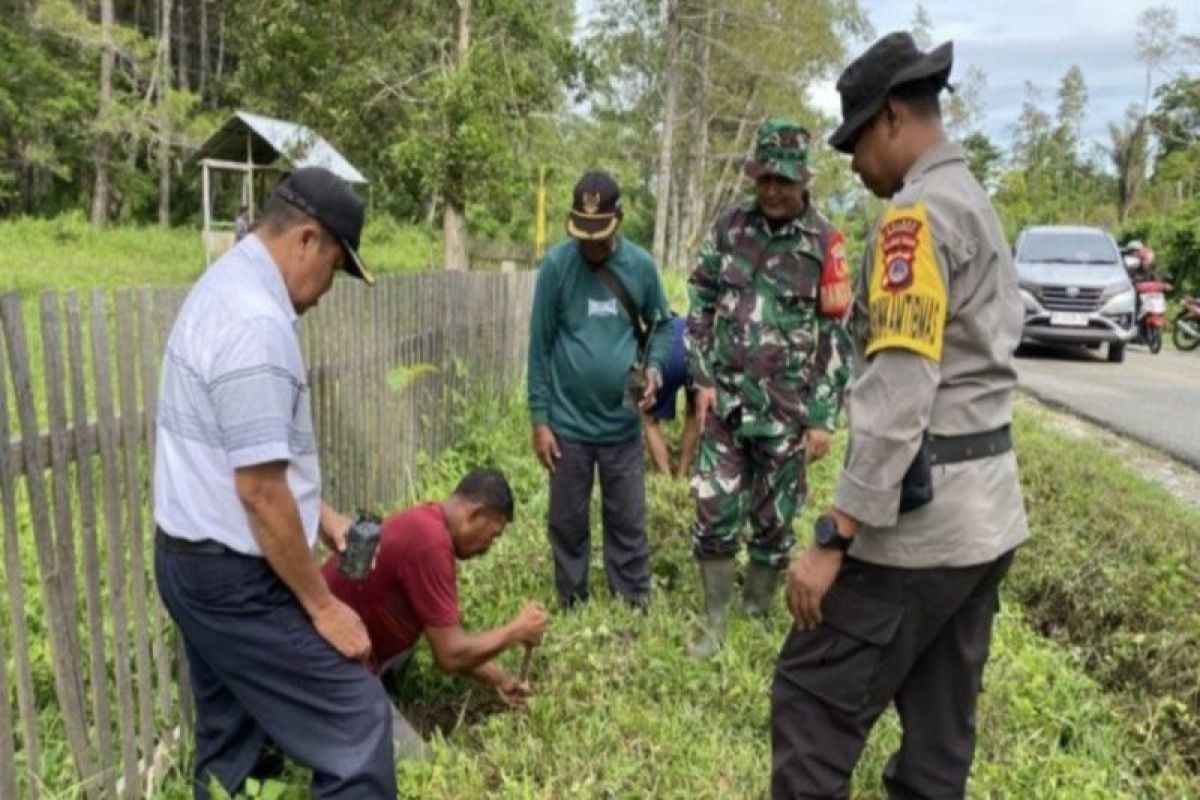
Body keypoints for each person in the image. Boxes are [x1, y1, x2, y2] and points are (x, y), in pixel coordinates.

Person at [770, 33, 1029, 799]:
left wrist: (834, 535)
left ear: (889, 117)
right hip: (987, 519)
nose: (852, 163)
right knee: (939, 739)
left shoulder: (915, 220)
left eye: (854, 143)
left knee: (811, 702)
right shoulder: (972, 200)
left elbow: (901, 392)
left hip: (921, 525)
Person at [152, 167, 394, 798]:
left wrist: (323, 516)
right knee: (358, 722)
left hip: (188, 559)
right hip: (231, 576)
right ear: (307, 240)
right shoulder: (257, 323)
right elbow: (258, 493)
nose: (325, 292)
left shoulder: (223, 286)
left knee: (231, 736)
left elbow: (247, 459)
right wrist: (323, 607)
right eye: (335, 268)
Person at [684, 118, 853, 658]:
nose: (773, 191)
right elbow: (700, 304)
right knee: (712, 512)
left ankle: (756, 615)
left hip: (788, 411)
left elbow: (836, 332)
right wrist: (702, 378)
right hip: (726, 407)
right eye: (764, 180)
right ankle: (714, 623)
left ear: (803, 180)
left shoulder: (825, 241)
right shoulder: (730, 228)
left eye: (783, 180)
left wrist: (824, 415)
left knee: (774, 523)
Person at [321, 469, 549, 758]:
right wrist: (516, 631)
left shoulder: (429, 522)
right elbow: (450, 654)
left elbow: (446, 636)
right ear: (475, 514)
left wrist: (500, 679)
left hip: (350, 643)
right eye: (492, 536)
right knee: (420, 765)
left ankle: (378, 691)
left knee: (426, 627)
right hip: (328, 661)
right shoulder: (431, 543)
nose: (489, 548)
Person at [527, 170, 674, 609]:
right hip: (568, 424)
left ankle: (632, 601)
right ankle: (572, 600)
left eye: (600, 234)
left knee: (627, 519)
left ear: (619, 219)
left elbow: (663, 328)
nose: (590, 244)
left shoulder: (641, 267)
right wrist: (540, 419)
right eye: (583, 234)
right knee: (567, 522)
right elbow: (540, 346)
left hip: (622, 421)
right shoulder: (556, 266)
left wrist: (656, 370)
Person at [642, 311, 701, 479]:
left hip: (666, 358)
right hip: (694, 353)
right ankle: (682, 472)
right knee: (694, 411)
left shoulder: (653, 332)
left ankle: (666, 478)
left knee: (649, 419)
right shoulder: (682, 321)